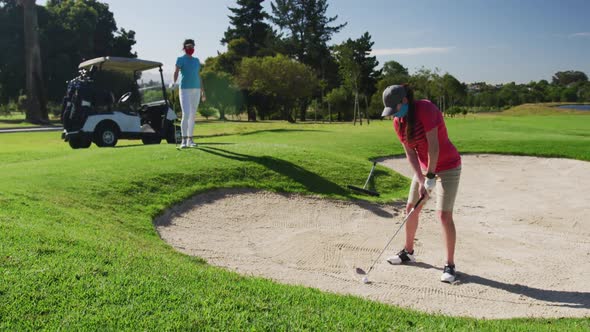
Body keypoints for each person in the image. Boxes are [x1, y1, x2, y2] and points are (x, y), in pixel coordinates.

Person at [382, 84, 462, 283]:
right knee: (411, 208)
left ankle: (450, 266)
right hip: (426, 169)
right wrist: (420, 178)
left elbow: (433, 147)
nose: (395, 114)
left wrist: (431, 178)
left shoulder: (426, 109)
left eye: (396, 108)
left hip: (449, 166)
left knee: (443, 215)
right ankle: (408, 252)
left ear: (405, 101)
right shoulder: (398, 122)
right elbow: (410, 152)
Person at [172, 39, 206, 148]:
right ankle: (183, 141)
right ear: (184, 48)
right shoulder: (180, 59)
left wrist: (203, 91)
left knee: (192, 115)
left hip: (196, 89)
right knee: (186, 114)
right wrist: (174, 83)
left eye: (192, 46)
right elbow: (176, 72)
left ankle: (190, 140)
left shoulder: (196, 61)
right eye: (188, 47)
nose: (190, 48)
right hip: (184, 89)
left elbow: (198, 76)